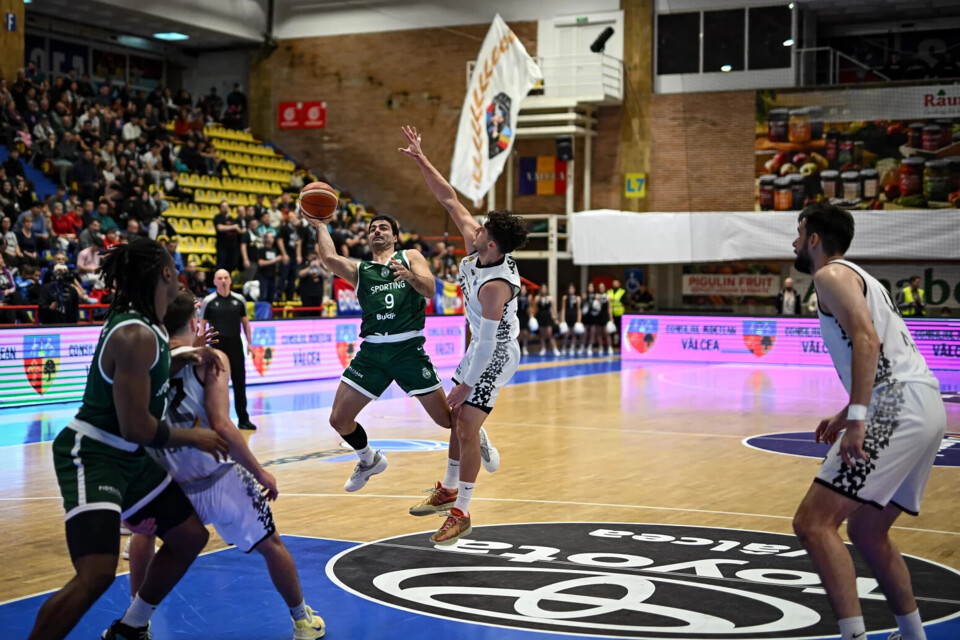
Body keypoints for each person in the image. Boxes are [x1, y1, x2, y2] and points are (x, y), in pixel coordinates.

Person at [26, 238, 229, 640]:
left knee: (190, 536)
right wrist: (196, 437)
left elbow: (150, 370)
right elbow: (137, 425)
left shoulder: (146, 323)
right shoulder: (135, 335)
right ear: (167, 274)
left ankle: (132, 626)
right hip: (94, 452)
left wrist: (184, 354)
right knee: (97, 573)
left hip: (129, 455)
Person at [126, 290, 326, 640]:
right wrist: (260, 471)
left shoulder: (145, 361)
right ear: (194, 322)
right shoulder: (211, 359)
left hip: (170, 480)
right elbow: (221, 425)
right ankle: (301, 621)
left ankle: (136, 621)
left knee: (143, 535)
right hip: (218, 475)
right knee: (271, 544)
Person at [790, 202, 946, 640]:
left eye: (800, 233)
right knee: (867, 529)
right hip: (923, 403)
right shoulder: (863, 279)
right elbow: (882, 351)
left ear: (815, 239)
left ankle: (853, 636)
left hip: (894, 404)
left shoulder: (830, 275)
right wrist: (846, 413)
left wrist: (859, 417)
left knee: (814, 522)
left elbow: (867, 339)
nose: (795, 242)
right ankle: (913, 635)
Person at [400, 124, 527, 544]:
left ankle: (462, 512)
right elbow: (449, 197)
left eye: (482, 231)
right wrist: (422, 159)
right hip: (479, 348)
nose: (474, 230)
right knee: (456, 418)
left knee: (466, 426)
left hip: (496, 354)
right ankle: (449, 488)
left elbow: (489, 344)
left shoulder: (496, 286)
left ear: (492, 247)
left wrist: (470, 381)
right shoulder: (482, 247)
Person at [303, 211, 474, 496]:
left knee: (446, 421)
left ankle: (476, 434)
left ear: (395, 236)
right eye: (372, 229)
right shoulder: (363, 270)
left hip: (407, 350)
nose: (377, 231)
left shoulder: (410, 256)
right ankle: (369, 460)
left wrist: (409, 276)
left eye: (384, 228)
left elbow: (430, 289)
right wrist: (321, 225)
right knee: (338, 420)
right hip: (372, 352)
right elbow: (330, 259)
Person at [200, 269, 257, 430]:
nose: (223, 280)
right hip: (216, 346)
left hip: (235, 344)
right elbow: (202, 324)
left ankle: (243, 419)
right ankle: (214, 419)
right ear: (214, 281)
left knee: (240, 382)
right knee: (216, 384)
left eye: (226, 278)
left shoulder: (239, 300)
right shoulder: (209, 301)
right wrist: (202, 345)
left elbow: (245, 323)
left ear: (230, 280)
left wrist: (250, 344)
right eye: (220, 278)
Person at [533, 283, 560, 357]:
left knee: (549, 332)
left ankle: (555, 348)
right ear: (541, 289)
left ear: (547, 289)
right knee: (542, 334)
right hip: (540, 316)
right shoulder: (537, 298)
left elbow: (554, 309)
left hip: (548, 316)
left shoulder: (550, 298)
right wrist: (532, 318)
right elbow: (534, 309)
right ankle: (543, 348)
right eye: (542, 288)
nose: (544, 290)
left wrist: (556, 318)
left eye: (545, 288)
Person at [560, 283, 582, 356]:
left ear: (574, 290)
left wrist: (579, 320)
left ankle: (572, 348)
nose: (571, 290)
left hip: (574, 316)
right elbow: (563, 308)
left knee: (574, 333)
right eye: (570, 289)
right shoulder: (565, 297)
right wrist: (563, 320)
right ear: (568, 290)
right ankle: (563, 347)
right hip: (567, 316)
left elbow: (579, 309)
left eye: (572, 289)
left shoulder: (578, 298)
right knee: (566, 333)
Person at [607, 279, 626, 348]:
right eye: (614, 283)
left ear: (619, 284)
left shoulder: (622, 292)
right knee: (611, 330)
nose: (615, 284)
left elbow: (626, 302)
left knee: (621, 330)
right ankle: (611, 345)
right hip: (612, 314)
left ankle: (622, 345)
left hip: (620, 314)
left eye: (616, 283)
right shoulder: (609, 292)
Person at [515, 282, 531, 356]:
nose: (524, 290)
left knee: (525, 333)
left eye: (525, 289)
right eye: (522, 289)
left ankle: (525, 347)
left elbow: (529, 308)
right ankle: (517, 348)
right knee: (518, 333)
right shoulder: (517, 296)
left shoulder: (528, 297)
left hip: (525, 316)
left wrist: (531, 316)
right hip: (518, 315)